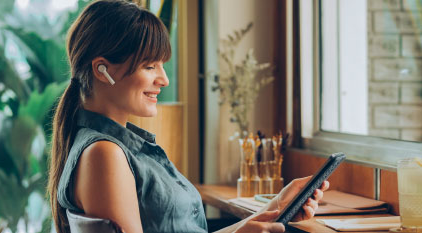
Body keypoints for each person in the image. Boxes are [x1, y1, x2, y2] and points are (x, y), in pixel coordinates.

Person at [47, 1, 329, 233]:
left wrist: (276, 207)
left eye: (162, 65)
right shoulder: (104, 154)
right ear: (102, 70)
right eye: (150, 66)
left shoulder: (113, 148)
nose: (164, 79)